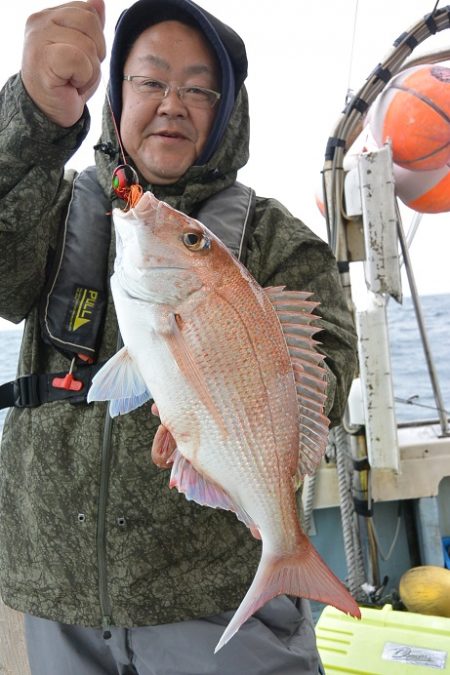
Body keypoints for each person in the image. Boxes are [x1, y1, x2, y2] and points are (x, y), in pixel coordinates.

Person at [0, 0, 358, 673]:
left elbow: (330, 358)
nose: (172, 103)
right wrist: (33, 120)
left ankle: (288, 560)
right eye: (151, 80)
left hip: (217, 599)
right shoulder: (52, 207)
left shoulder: (278, 241)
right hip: (60, 596)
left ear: (226, 111)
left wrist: (235, 403)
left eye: (198, 88)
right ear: (115, 94)